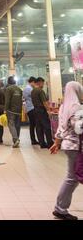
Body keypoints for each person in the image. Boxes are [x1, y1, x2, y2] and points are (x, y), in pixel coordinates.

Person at [50, 81, 83, 220]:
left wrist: (56, 143)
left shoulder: (64, 106)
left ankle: (60, 207)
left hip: (68, 145)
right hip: (76, 146)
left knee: (73, 177)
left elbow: (60, 128)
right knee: (72, 178)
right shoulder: (76, 108)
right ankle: (60, 209)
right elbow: (79, 128)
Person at [32, 77, 53, 148]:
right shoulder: (40, 91)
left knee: (39, 127)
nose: (43, 84)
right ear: (39, 82)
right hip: (41, 110)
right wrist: (48, 111)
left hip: (35, 110)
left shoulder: (33, 91)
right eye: (43, 83)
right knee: (46, 127)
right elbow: (44, 102)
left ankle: (42, 143)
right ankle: (50, 143)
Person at [4, 76, 23, 148]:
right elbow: (21, 99)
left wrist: (5, 109)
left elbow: (7, 100)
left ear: (8, 82)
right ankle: (17, 138)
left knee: (11, 125)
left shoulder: (8, 89)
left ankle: (16, 139)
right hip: (19, 110)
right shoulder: (19, 89)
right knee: (18, 125)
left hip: (11, 110)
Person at [23, 76, 39, 145]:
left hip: (29, 108)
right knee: (33, 125)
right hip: (31, 108)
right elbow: (35, 97)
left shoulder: (26, 88)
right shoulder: (29, 89)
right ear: (32, 82)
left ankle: (33, 140)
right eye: (34, 83)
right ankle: (33, 140)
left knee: (32, 125)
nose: (35, 84)